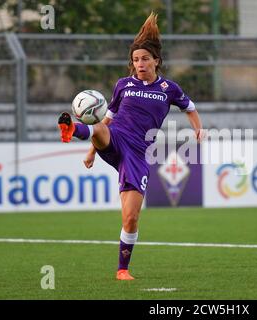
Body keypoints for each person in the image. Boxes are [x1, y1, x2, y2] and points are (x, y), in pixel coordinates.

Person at [58, 12, 203, 280]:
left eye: (145, 59)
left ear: (156, 61)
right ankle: (71, 129)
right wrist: (91, 151)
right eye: (136, 60)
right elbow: (109, 117)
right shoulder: (123, 85)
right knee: (101, 125)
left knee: (131, 217)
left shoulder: (169, 88)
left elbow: (190, 109)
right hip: (116, 137)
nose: (139, 64)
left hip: (138, 153)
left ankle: (122, 270)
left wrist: (198, 130)